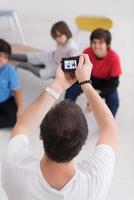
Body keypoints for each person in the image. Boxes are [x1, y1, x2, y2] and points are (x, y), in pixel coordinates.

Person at [2, 54, 118, 200]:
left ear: (41, 136)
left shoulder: (15, 167)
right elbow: (110, 128)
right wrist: (86, 83)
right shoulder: (94, 182)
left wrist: (57, 85)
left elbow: (23, 125)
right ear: (83, 143)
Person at [65, 28, 122, 117]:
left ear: (108, 44)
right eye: (94, 42)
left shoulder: (114, 58)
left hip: (107, 83)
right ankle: (67, 115)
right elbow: (81, 72)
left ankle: (109, 124)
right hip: (89, 78)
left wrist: (97, 96)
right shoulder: (87, 52)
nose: (96, 46)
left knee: (114, 102)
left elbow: (114, 82)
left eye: (100, 42)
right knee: (71, 91)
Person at [10, 21, 78, 79]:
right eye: (55, 37)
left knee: (40, 73)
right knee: (30, 56)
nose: (57, 39)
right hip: (51, 56)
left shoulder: (72, 48)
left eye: (59, 36)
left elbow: (71, 66)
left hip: (57, 66)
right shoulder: (61, 41)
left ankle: (18, 64)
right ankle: (7, 55)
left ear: (66, 32)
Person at [0, 39, 23, 128]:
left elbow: (18, 91)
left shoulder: (10, 70)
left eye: (5, 57)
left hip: (6, 100)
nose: (2, 59)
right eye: (0, 55)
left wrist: (20, 109)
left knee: (15, 119)